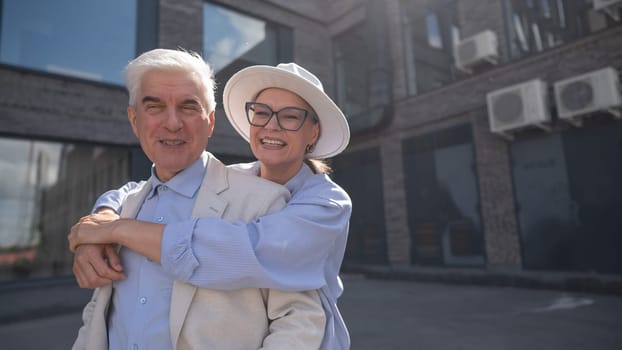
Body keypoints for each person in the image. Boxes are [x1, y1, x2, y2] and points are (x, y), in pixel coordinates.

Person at [71, 62, 353, 349]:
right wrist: (100, 221)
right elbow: (135, 190)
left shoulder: (327, 203)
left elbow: (244, 250)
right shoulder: (237, 176)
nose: (272, 125)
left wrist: (118, 230)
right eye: (262, 113)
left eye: (290, 116)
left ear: (313, 132)